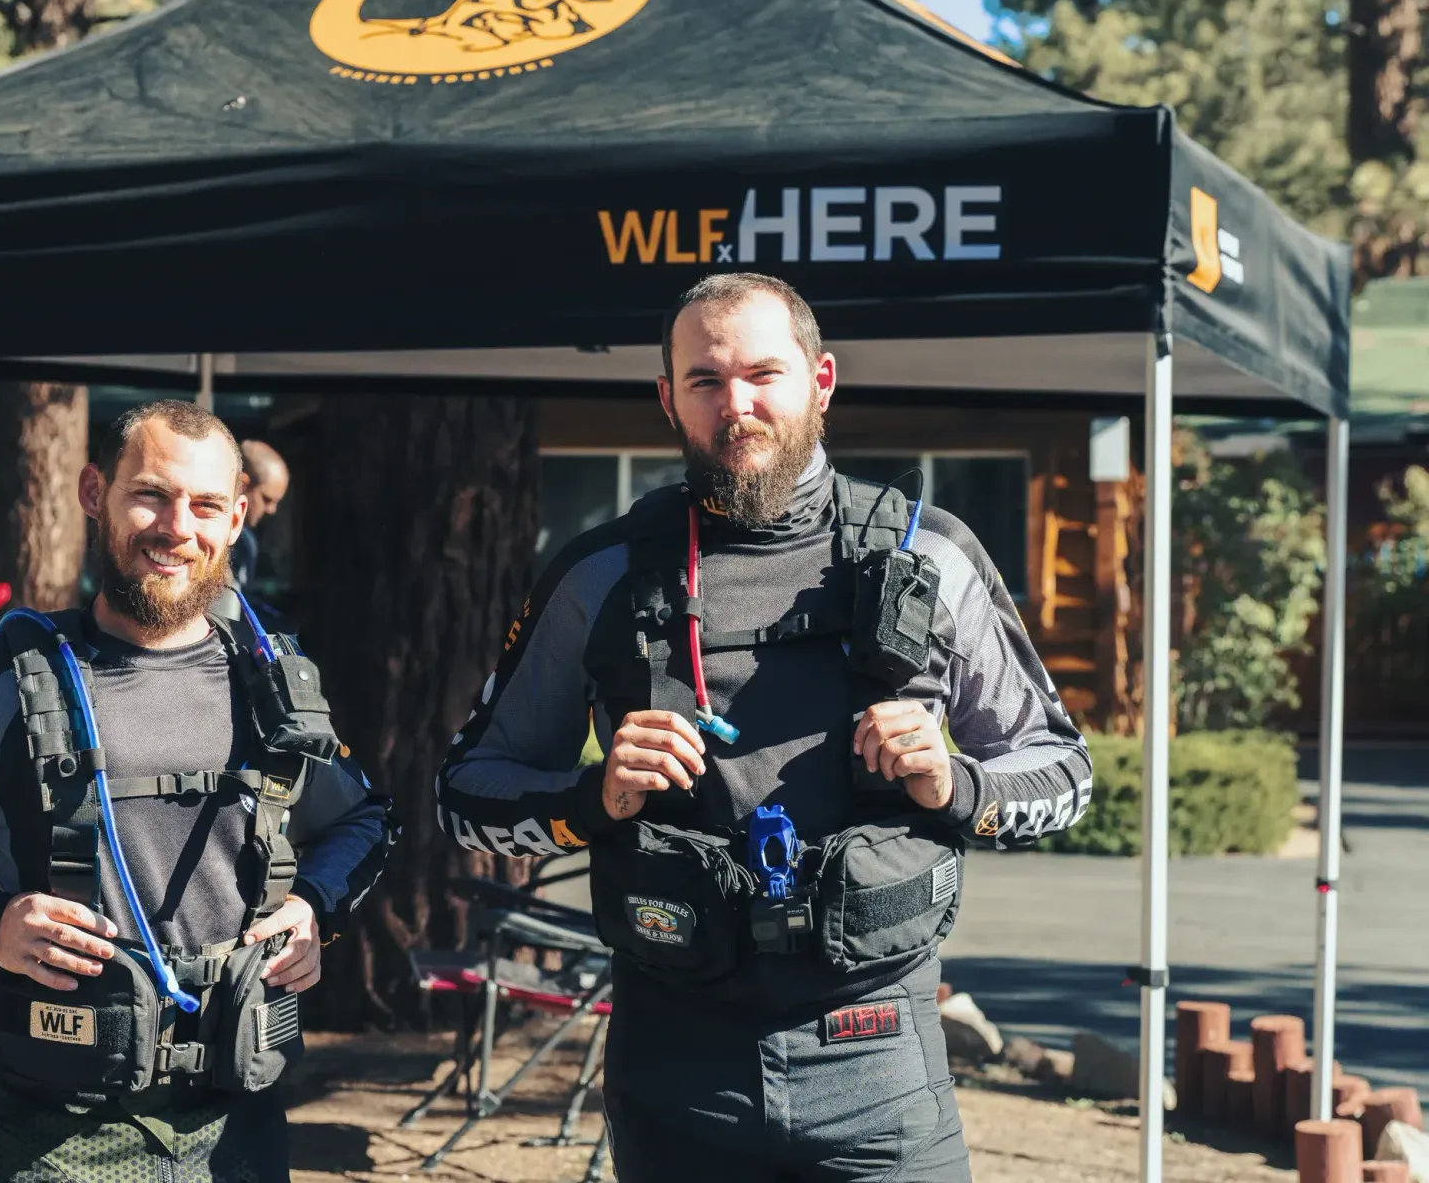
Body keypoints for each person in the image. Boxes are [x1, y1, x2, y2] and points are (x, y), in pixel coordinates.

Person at [437, 274, 1092, 1182]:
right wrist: (593, 798)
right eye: (704, 381)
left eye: (762, 374)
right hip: (676, 1071)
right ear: (668, 399)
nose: (736, 404)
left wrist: (957, 784)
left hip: (882, 1067)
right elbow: (467, 794)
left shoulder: (927, 552)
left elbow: (1065, 774)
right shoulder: (601, 575)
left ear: (821, 381)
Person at [0, 400, 395, 1182]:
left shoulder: (275, 683)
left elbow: (368, 820)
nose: (177, 527)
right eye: (150, 494)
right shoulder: (3, 680)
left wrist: (314, 905)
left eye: (205, 504)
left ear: (237, 517)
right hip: (56, 1139)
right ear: (93, 491)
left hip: (242, 1125)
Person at [229, 439, 289, 591]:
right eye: (266, 499)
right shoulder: (201, 532)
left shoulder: (246, 544)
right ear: (242, 484)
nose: (271, 510)